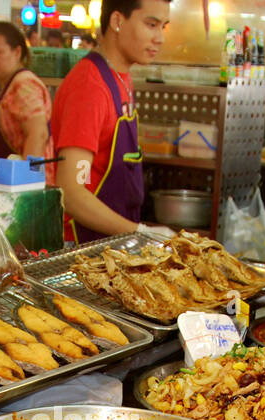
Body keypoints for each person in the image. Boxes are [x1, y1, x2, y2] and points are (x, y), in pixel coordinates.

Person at [51, 0, 172, 242]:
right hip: (81, 248)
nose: (160, 38)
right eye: (151, 24)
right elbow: (71, 193)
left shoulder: (121, 77)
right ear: (117, 21)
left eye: (163, 27)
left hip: (109, 241)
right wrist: (139, 232)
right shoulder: (90, 86)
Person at [0, 21, 55, 181]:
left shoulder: (24, 84)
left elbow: (38, 134)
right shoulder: (8, 86)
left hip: (23, 189)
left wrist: (28, 180)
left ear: (17, 52)